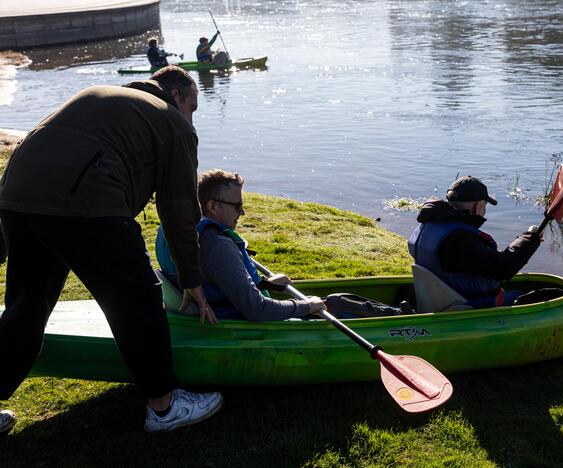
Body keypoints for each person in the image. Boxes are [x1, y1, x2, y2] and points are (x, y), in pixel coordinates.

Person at [0, 66, 223, 433]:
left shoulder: (98, 94)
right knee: (137, 298)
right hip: (86, 201)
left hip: (15, 194)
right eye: (193, 107)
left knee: (25, 309)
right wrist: (191, 278)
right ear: (177, 95)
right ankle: (164, 407)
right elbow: (179, 207)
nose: (192, 118)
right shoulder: (173, 121)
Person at [156, 169, 326, 321]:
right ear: (212, 206)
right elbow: (257, 310)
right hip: (236, 323)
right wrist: (307, 305)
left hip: (209, 312)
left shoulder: (177, 231)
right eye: (237, 206)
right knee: (338, 306)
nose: (242, 212)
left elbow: (217, 281)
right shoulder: (217, 246)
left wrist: (261, 284)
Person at [408, 176, 543, 309]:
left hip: (437, 298)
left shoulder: (429, 225)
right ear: (478, 206)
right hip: (467, 305)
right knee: (526, 295)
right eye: (484, 206)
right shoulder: (460, 241)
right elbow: (503, 268)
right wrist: (530, 238)